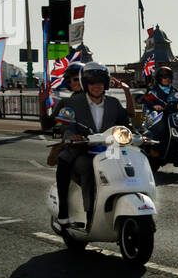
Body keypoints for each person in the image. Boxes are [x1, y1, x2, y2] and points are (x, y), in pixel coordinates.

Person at [56, 63, 131, 226]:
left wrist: (140, 135)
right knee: (84, 167)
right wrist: (71, 136)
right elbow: (65, 126)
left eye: (100, 82)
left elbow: (126, 124)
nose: (96, 86)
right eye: (91, 82)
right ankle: (79, 212)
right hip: (82, 149)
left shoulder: (114, 103)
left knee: (127, 164)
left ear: (106, 84)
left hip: (110, 150)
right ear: (85, 83)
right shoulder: (72, 103)